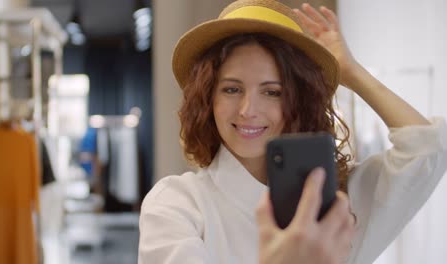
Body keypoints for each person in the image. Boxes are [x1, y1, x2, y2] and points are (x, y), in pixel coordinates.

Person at [138, 1, 447, 264]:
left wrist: (352, 73)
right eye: (232, 89)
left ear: (298, 103)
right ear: (208, 99)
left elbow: (428, 149)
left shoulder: (340, 201)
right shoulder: (178, 204)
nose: (248, 109)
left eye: (272, 92)